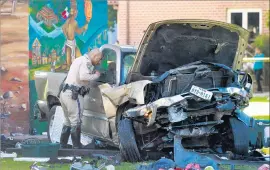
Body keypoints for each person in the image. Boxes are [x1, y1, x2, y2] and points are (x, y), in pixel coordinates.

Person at [59, 48, 103, 149]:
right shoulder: (86, 62)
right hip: (73, 95)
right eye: (99, 59)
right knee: (76, 121)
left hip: (65, 93)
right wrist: (96, 75)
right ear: (94, 56)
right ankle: (77, 147)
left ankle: (63, 146)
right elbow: (83, 76)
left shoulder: (78, 59)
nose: (99, 62)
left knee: (67, 120)